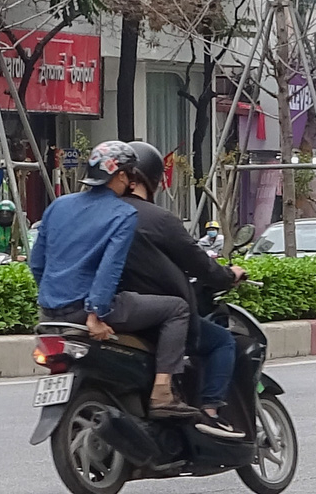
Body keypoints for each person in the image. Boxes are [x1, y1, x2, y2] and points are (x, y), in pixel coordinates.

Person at [27, 139, 196, 419]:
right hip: (86, 311)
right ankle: (163, 392)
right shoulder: (123, 213)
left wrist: (51, 297)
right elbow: (110, 268)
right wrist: (96, 313)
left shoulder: (59, 206)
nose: (131, 182)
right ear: (119, 176)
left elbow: (37, 263)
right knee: (177, 308)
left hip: (50, 314)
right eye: (129, 175)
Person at [121, 142, 247, 440]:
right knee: (222, 342)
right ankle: (211, 412)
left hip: (99, 311)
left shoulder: (94, 215)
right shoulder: (158, 219)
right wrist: (229, 275)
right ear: (153, 179)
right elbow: (200, 264)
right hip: (149, 318)